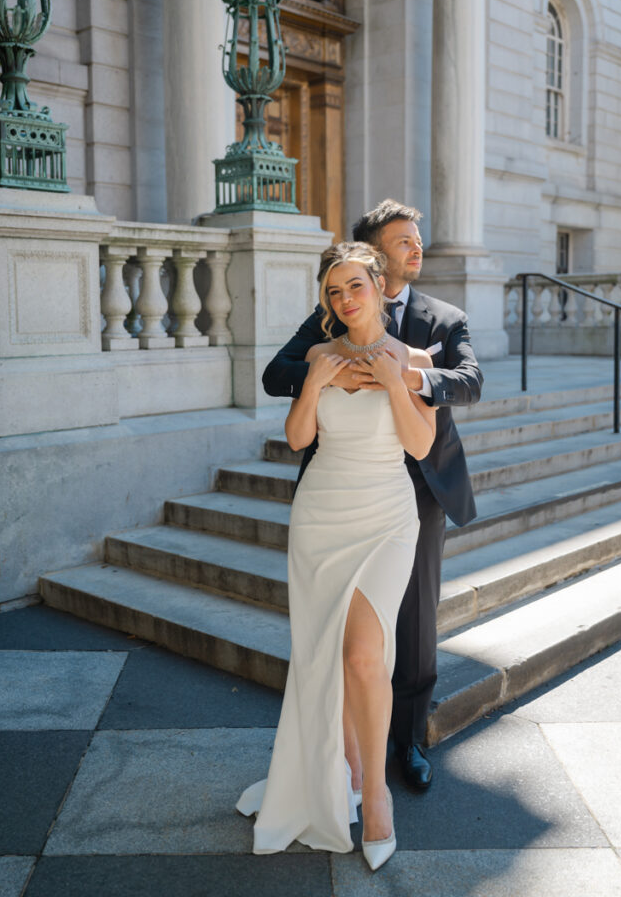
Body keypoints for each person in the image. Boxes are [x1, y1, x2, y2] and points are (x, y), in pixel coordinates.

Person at [262, 199, 483, 791]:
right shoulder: (333, 312)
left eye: (417, 238)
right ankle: (344, 744)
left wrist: (403, 373)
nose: (417, 247)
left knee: (414, 621)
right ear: (373, 255)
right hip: (343, 485)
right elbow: (274, 373)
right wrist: (332, 364)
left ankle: (407, 741)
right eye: (404, 240)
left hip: (421, 483)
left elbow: (469, 382)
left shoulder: (443, 318)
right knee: (347, 629)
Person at [237, 242, 435, 869]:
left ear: (379, 285)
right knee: (327, 655)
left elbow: (422, 446)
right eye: (333, 292)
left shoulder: (414, 356)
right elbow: (299, 437)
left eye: (355, 286)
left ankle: (376, 796)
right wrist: (316, 380)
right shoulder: (318, 354)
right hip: (321, 514)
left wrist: (392, 382)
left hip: (386, 516)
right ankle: (347, 770)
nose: (345, 300)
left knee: (361, 655)